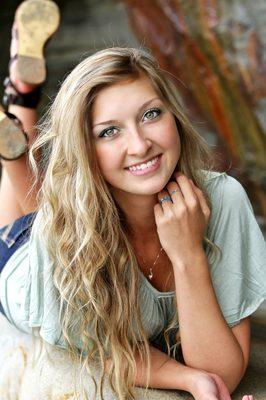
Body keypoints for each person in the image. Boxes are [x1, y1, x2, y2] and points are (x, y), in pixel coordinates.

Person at [0, 3, 265, 400]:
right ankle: (17, 121)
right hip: (21, 256)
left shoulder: (222, 198)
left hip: (72, 210)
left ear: (173, 115)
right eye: (109, 132)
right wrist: (184, 377)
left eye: (151, 114)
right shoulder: (58, 234)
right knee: (36, 217)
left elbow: (221, 371)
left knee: (49, 205)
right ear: (84, 148)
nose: (140, 145)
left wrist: (188, 252)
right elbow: (98, 348)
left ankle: (18, 103)